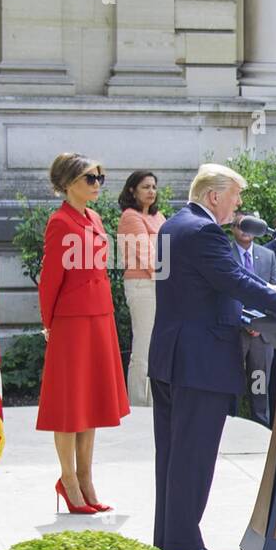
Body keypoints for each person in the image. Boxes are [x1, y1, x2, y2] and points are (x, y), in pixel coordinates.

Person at [150, 163, 276, 550]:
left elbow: (209, 283)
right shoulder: (205, 231)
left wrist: (267, 289)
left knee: (173, 456)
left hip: (171, 357)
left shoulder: (173, 226)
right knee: (193, 456)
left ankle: (168, 537)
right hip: (200, 361)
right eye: (235, 196)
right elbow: (231, 280)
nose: (239, 204)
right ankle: (183, 544)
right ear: (214, 196)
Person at [38, 153, 131, 515]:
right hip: (72, 320)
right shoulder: (60, 221)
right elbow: (51, 279)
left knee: (90, 403)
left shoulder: (93, 217)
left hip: (99, 316)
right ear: (68, 183)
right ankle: (70, 481)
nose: (97, 184)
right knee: (69, 405)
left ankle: (86, 478)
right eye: (90, 178)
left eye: (99, 178)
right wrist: (49, 322)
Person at [117, 169, 164, 407]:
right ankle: (137, 404)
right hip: (142, 285)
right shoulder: (130, 216)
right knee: (143, 347)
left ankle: (153, 402)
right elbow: (147, 257)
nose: (151, 192)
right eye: (146, 187)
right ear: (132, 190)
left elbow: (169, 252)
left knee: (157, 347)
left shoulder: (159, 217)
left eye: (154, 187)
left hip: (160, 283)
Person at [230, 211, 276, 426]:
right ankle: (227, 425)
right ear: (232, 228)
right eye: (240, 225)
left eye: (249, 225)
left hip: (261, 337)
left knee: (259, 386)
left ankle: (260, 429)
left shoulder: (267, 256)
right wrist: (245, 321)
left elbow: (275, 293)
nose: (245, 230)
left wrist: (260, 322)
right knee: (230, 385)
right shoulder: (225, 253)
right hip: (233, 333)